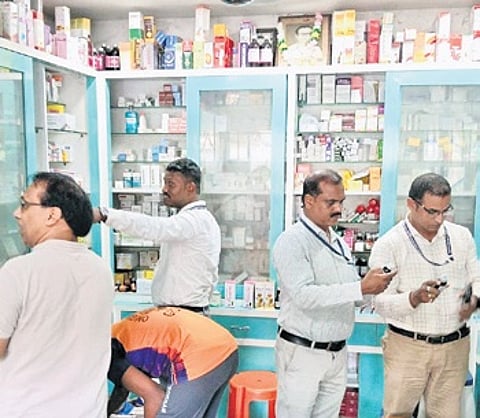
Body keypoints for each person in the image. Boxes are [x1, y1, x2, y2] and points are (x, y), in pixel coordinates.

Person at [272, 169, 395, 418]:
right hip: (303, 353)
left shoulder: (337, 241)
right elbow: (304, 296)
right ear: (308, 201)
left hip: (337, 353)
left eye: (341, 202)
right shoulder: (292, 241)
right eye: (331, 202)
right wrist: (360, 287)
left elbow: (351, 294)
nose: (338, 208)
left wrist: (374, 286)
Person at [0, 172, 114, 417]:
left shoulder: (19, 272)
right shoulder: (100, 269)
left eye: (25, 205)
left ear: (52, 214)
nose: (17, 214)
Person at [369, 172, 480, 418]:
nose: (440, 219)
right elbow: (379, 302)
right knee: (398, 413)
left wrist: (474, 301)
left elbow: (477, 277)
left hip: (454, 346)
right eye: (432, 212)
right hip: (408, 347)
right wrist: (413, 298)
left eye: (445, 210)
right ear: (411, 204)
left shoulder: (461, 237)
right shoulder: (390, 244)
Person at [93, 158, 221, 313]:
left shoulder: (195, 220)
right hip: (179, 311)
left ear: (190, 188)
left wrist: (106, 214)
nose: (164, 189)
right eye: (164, 182)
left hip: (186, 313)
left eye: (171, 184)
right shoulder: (193, 218)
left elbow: (154, 228)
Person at [108, 306, 239, 418]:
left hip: (197, 353)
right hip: (225, 346)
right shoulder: (115, 334)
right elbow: (124, 385)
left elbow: (154, 395)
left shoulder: (107, 354)